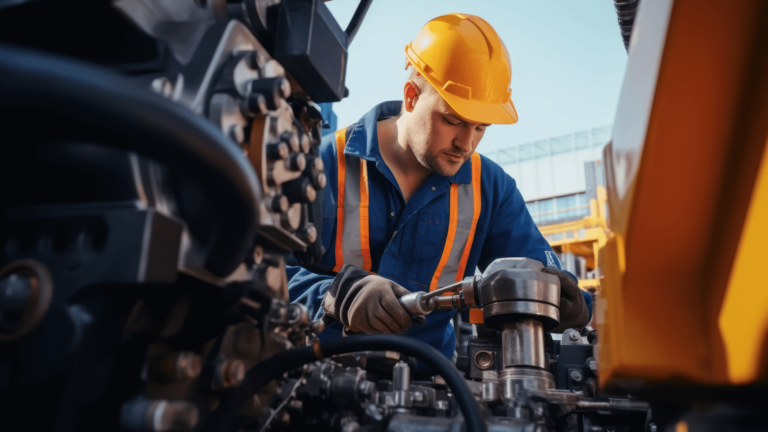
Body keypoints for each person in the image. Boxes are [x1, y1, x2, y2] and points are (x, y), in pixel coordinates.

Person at [288, 13, 591, 360]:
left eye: (481, 128)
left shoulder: (491, 190)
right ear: (412, 96)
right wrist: (334, 295)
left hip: (430, 391)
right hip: (316, 379)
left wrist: (571, 303)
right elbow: (259, 274)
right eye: (453, 121)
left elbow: (544, 276)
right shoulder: (320, 162)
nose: (466, 143)